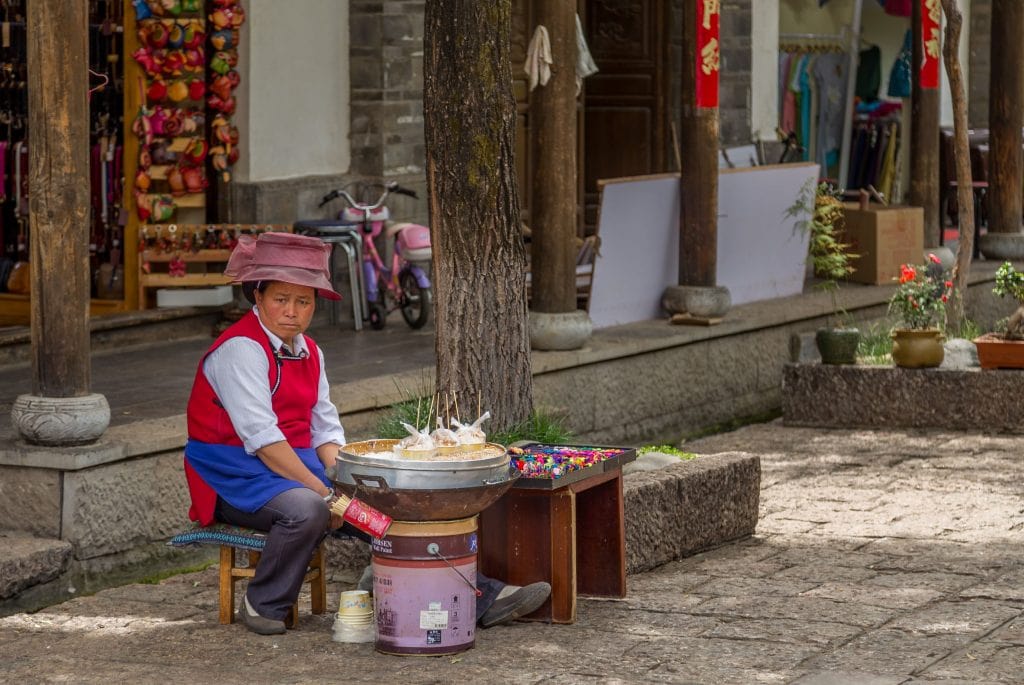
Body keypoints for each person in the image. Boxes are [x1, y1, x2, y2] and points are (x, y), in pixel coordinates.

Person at [182, 232, 549, 636]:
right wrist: (328, 495)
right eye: (280, 299)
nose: (292, 311)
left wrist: (349, 483)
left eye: (303, 301)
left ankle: (476, 594)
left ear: (314, 307)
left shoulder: (310, 351)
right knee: (309, 509)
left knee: (385, 501)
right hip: (233, 477)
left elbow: (323, 426)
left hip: (291, 467)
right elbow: (264, 440)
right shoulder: (240, 350)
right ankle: (262, 602)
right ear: (258, 297)